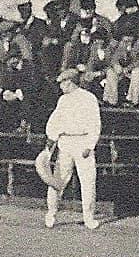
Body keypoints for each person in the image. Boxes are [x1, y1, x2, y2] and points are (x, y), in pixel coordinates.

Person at [44, 66, 102, 229]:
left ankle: (89, 218)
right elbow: (55, 122)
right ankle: (51, 213)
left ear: (70, 82)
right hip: (65, 143)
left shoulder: (89, 98)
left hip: (83, 142)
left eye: (62, 83)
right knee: (58, 181)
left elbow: (95, 123)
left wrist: (90, 145)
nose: (61, 86)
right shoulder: (62, 100)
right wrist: (51, 139)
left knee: (88, 181)